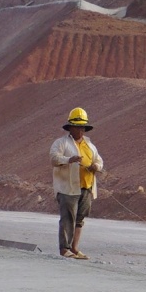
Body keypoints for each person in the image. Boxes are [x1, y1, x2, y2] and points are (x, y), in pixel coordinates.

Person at [49, 107, 103, 259]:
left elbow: (99, 161)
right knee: (67, 218)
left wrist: (96, 167)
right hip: (68, 188)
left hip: (86, 186)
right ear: (70, 127)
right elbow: (53, 158)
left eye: (82, 127)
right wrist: (68, 160)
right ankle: (64, 249)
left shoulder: (90, 146)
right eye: (77, 126)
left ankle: (74, 248)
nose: (80, 130)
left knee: (80, 218)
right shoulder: (61, 143)